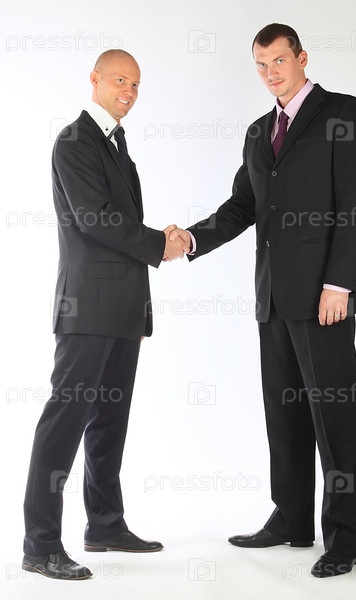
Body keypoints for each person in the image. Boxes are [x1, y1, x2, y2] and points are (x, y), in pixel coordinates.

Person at [170, 23, 356, 578]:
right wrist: (191, 240)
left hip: (324, 297)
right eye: (261, 65)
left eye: (279, 61)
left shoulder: (343, 113)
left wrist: (340, 284)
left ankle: (346, 537)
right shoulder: (260, 131)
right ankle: (291, 519)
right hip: (273, 298)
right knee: (283, 415)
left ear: (302, 58)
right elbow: (243, 206)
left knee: (335, 417)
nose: (270, 73)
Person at [22, 49, 189, 580]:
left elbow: (119, 222)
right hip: (87, 308)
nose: (129, 92)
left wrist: (140, 306)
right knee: (64, 422)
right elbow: (96, 219)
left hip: (121, 311)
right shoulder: (75, 141)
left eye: (136, 84)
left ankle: (105, 525)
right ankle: (40, 544)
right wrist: (159, 243)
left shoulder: (117, 144)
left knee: (109, 422)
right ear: (94, 80)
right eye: (120, 80)